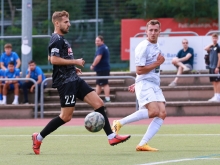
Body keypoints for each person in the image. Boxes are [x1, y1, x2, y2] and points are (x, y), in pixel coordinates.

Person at [32, 10, 130, 155]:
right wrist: (75, 62)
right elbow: (53, 59)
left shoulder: (61, 39)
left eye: (68, 21)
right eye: (66, 22)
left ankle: (111, 137)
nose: (69, 24)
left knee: (99, 104)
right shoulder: (56, 39)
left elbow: (50, 57)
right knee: (65, 117)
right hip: (65, 83)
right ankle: (38, 137)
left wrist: (71, 68)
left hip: (73, 79)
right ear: (57, 23)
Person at [112, 20, 166, 151]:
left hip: (153, 83)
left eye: (155, 30)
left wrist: (137, 82)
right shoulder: (144, 46)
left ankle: (142, 144)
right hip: (146, 83)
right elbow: (139, 70)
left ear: (160, 32)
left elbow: (151, 68)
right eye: (150, 30)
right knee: (153, 111)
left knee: (162, 113)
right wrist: (157, 64)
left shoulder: (157, 45)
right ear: (146, 31)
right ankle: (119, 123)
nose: (153, 33)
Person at [90, 36, 111, 102]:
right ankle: (96, 98)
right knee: (99, 84)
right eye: (96, 41)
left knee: (104, 84)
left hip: (103, 69)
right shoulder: (104, 47)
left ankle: (107, 99)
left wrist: (93, 65)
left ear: (102, 41)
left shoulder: (101, 48)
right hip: (102, 69)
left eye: (98, 41)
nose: (96, 42)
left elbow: (98, 58)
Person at [204, 33, 220, 102]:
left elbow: (219, 57)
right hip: (211, 66)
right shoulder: (211, 47)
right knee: (213, 81)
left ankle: (218, 96)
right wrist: (211, 44)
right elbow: (205, 48)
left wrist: (218, 67)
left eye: (216, 38)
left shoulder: (218, 47)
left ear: (218, 39)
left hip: (216, 67)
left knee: (217, 81)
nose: (214, 39)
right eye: (213, 38)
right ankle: (215, 95)